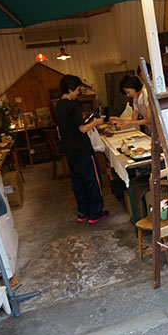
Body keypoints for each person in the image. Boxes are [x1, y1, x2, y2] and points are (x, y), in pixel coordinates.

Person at [55, 75, 108, 224]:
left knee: (78, 184)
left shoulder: (59, 106)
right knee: (93, 182)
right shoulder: (73, 106)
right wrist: (96, 122)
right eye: (78, 89)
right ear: (70, 89)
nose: (79, 92)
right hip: (83, 151)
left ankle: (83, 213)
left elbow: (64, 127)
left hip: (70, 152)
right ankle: (96, 214)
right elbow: (83, 129)